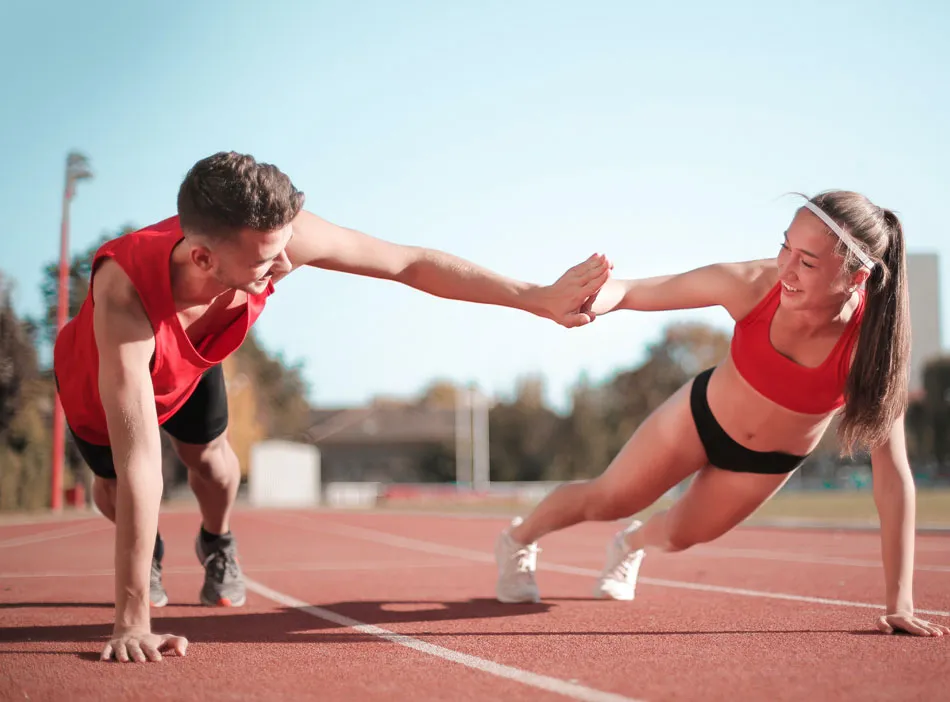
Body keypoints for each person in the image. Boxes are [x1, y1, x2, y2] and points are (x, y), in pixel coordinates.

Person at [53, 151, 612, 663]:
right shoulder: (125, 296)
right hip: (102, 378)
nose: (284, 267)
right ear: (202, 256)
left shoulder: (280, 239)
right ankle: (146, 552)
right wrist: (132, 623)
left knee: (216, 466)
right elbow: (142, 462)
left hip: (193, 361)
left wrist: (534, 298)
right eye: (266, 262)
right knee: (120, 489)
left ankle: (216, 543)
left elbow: (408, 263)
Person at [494, 190, 949, 639]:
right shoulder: (752, 283)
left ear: (855, 278)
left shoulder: (871, 348)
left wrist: (900, 603)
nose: (785, 269)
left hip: (765, 464)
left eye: (807, 262)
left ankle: (629, 545)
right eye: (784, 246)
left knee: (678, 536)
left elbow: (892, 474)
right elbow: (633, 291)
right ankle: (518, 539)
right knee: (610, 498)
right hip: (699, 416)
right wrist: (586, 300)